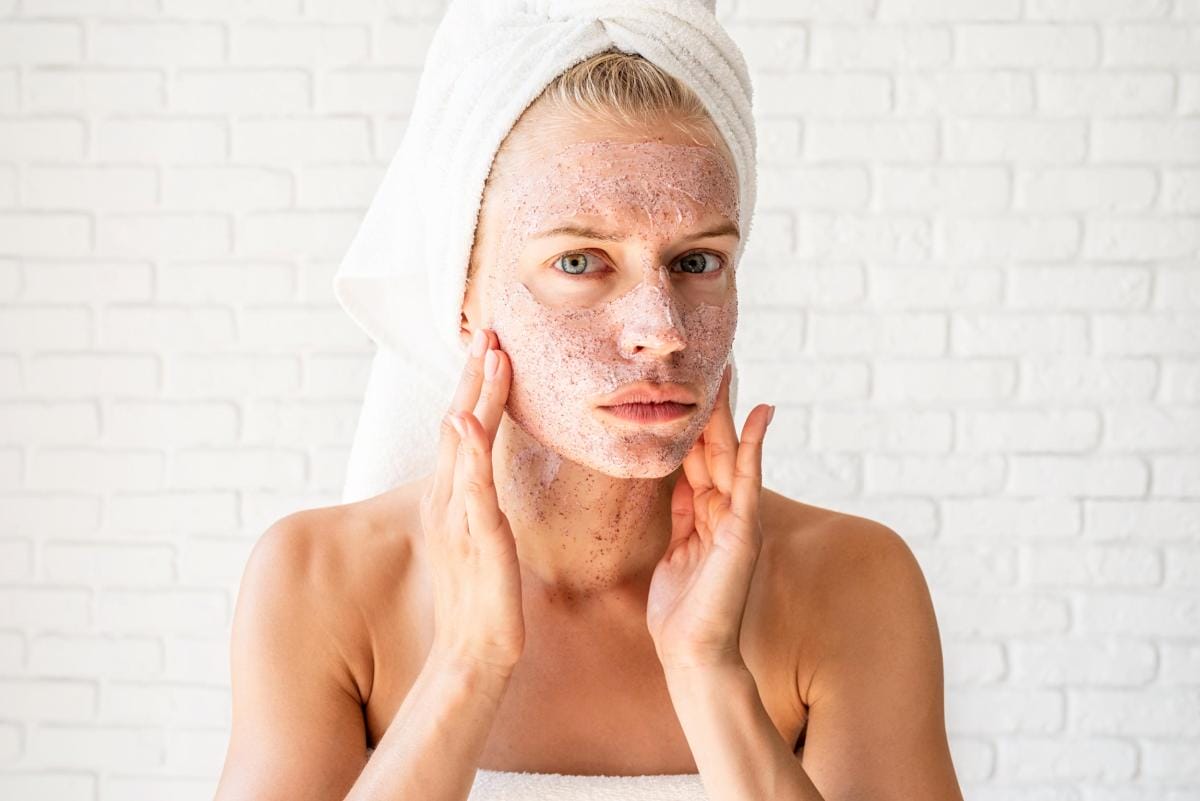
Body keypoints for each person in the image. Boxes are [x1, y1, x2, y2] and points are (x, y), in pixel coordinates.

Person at [213, 42, 962, 801]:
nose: (660, 328)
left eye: (696, 261)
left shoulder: (853, 585)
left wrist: (709, 671)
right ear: (464, 291)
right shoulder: (319, 583)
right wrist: (466, 665)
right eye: (580, 261)